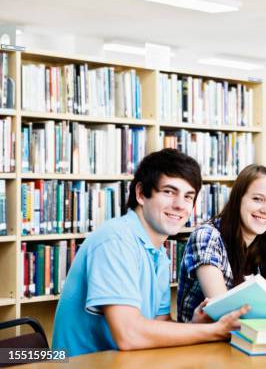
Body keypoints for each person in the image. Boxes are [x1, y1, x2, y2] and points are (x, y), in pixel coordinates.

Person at [52, 149, 249, 357]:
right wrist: (213, 331)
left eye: (188, 196)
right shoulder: (116, 240)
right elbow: (128, 334)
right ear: (140, 194)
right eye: (169, 192)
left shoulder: (158, 253)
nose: (180, 205)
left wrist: (194, 324)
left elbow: (159, 323)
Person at [177, 164, 266, 323]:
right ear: (238, 199)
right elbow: (224, 313)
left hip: (248, 339)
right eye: (258, 199)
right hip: (202, 342)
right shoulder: (207, 236)